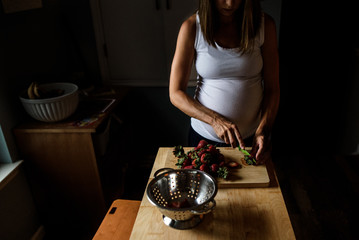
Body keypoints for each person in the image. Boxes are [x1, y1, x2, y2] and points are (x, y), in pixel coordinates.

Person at [169, 0, 279, 165]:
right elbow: (175, 93)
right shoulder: (192, 27)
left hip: (252, 139)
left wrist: (263, 130)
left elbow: (272, 89)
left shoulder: (265, 25)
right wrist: (215, 120)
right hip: (204, 138)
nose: (230, 3)